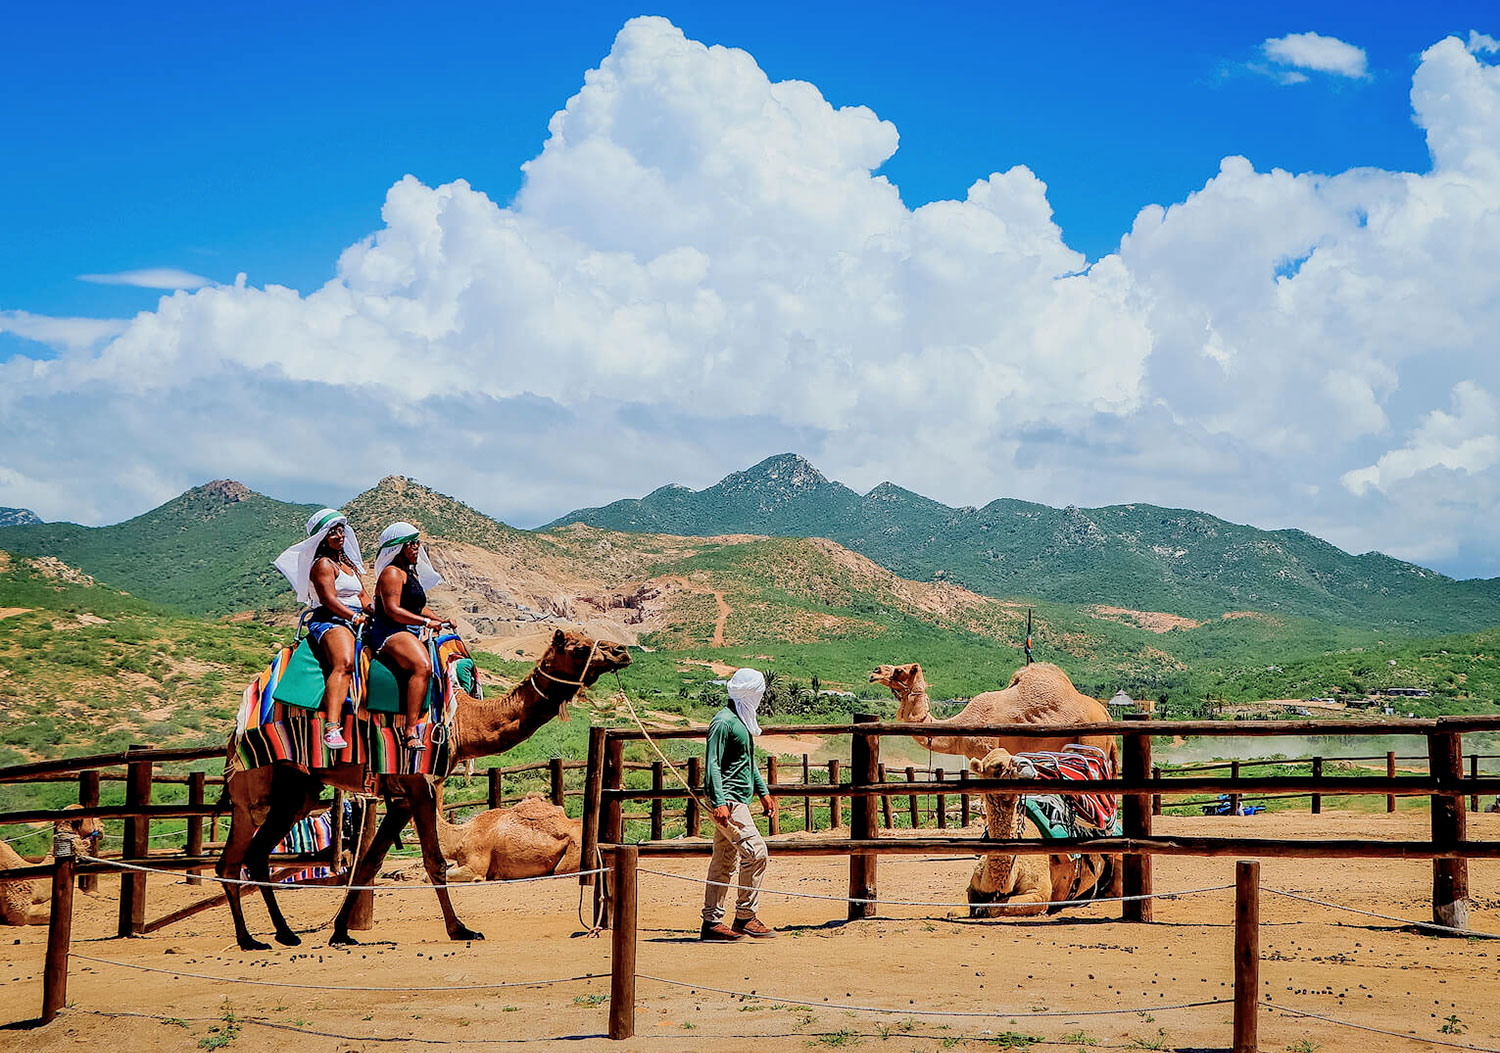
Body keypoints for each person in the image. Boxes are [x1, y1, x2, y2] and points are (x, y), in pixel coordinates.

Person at [273, 509, 369, 751]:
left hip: (356, 618)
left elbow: (364, 597)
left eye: (341, 530)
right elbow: (328, 600)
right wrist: (354, 617)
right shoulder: (323, 565)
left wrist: (382, 611)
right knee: (344, 662)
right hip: (331, 619)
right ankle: (332, 727)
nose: (339, 536)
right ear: (323, 537)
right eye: (333, 532)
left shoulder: (349, 565)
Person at [699, 668, 778, 941]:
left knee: (723, 860)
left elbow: (747, 761)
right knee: (756, 853)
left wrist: (763, 792)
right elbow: (712, 764)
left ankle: (712, 923)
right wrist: (719, 802)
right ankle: (745, 916)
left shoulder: (740, 721)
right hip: (729, 802)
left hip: (736, 799)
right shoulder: (723, 722)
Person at [369, 521, 449, 751]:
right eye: (411, 544)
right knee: (422, 666)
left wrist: (440, 620)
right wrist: (426, 623)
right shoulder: (392, 574)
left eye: (417, 543)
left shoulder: (409, 573)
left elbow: (417, 607)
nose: (416, 548)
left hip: (408, 630)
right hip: (390, 632)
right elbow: (393, 610)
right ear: (399, 548)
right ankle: (410, 731)